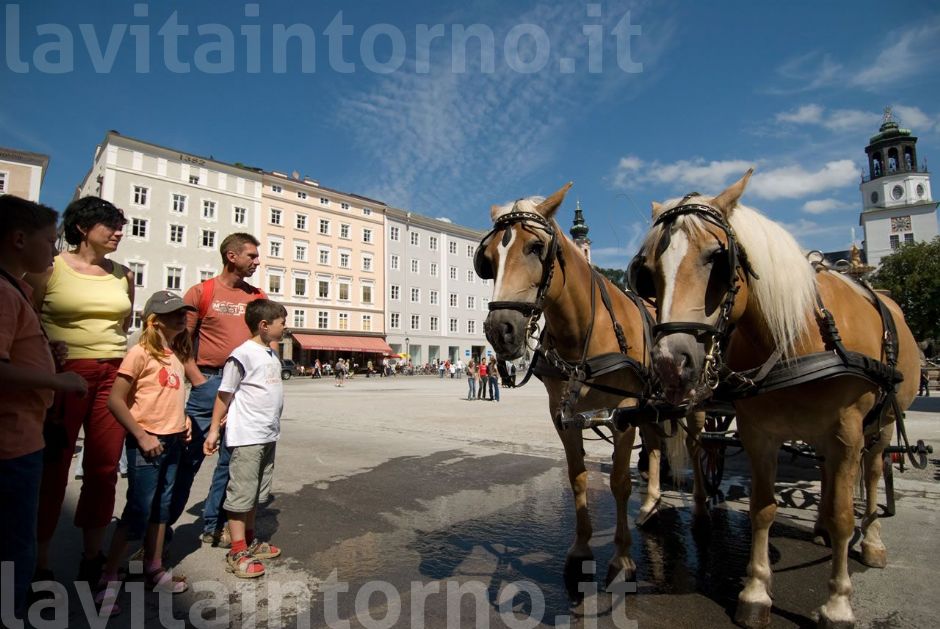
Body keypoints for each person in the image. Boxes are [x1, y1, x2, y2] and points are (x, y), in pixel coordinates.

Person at [27, 196, 133, 587]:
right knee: (53, 469)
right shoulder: (49, 268)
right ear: (83, 228)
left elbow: (121, 327)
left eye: (121, 224)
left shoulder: (123, 274)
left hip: (113, 373)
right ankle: (39, 564)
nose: (120, 232)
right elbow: (28, 314)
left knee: (104, 469)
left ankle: (92, 556)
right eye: (111, 225)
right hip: (63, 373)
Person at [0, 196, 88, 619]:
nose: (54, 252)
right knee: (14, 543)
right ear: (19, 239)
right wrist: (58, 380)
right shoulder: (3, 290)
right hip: (10, 442)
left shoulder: (16, 288)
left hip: (23, 434)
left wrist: (41, 350)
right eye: (49, 242)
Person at [95, 291, 196, 614]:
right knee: (137, 510)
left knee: (162, 508)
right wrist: (140, 434)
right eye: (173, 314)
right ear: (154, 321)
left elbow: (170, 396)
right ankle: (109, 576)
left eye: (183, 312)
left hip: (173, 440)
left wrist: (186, 419)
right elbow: (115, 400)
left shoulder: (176, 354)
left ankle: (153, 566)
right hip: (147, 441)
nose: (182, 317)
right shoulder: (139, 353)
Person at [169, 233, 265, 548]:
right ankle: (159, 533)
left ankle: (216, 525)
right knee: (186, 460)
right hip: (208, 381)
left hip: (243, 386)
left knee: (231, 463)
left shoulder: (257, 297)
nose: (257, 261)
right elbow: (182, 340)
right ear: (231, 255)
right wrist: (197, 379)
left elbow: (265, 345)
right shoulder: (201, 292)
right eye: (251, 255)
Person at [203, 299, 286, 578]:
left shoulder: (271, 354)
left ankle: (249, 542)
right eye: (281, 322)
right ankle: (237, 550)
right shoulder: (242, 354)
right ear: (264, 326)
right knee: (241, 494)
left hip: (267, 434)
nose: (285, 326)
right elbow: (225, 393)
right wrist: (214, 428)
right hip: (248, 434)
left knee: (254, 495)